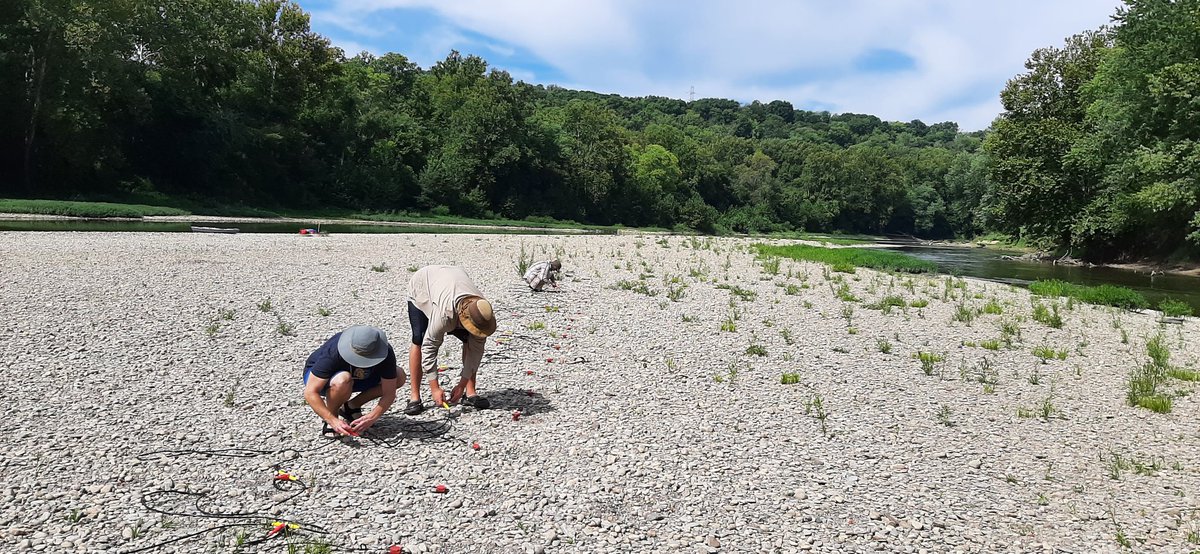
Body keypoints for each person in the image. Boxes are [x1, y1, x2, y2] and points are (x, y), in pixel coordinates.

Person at [406, 265, 498, 415]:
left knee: (470, 341)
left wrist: (461, 384)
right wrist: (434, 387)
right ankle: (415, 397)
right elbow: (429, 348)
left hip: (453, 282)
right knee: (419, 339)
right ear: (462, 321)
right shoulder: (444, 315)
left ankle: (469, 392)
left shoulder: (482, 312)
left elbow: (475, 352)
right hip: (423, 286)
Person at [302, 325, 399, 438]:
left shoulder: (386, 352)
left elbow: (389, 393)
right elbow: (310, 392)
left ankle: (351, 407)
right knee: (342, 380)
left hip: (359, 377)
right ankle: (333, 417)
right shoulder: (333, 351)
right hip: (323, 378)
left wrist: (372, 417)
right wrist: (331, 420)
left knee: (399, 375)